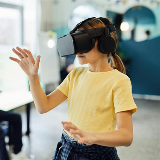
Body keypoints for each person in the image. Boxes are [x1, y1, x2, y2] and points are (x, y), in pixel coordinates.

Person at [10, 17, 137, 160]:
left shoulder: (119, 81)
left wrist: (92, 136)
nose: (78, 49)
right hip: (66, 148)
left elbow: (126, 135)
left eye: (83, 41)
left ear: (104, 43)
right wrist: (32, 77)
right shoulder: (76, 74)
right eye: (75, 42)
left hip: (97, 153)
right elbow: (43, 106)